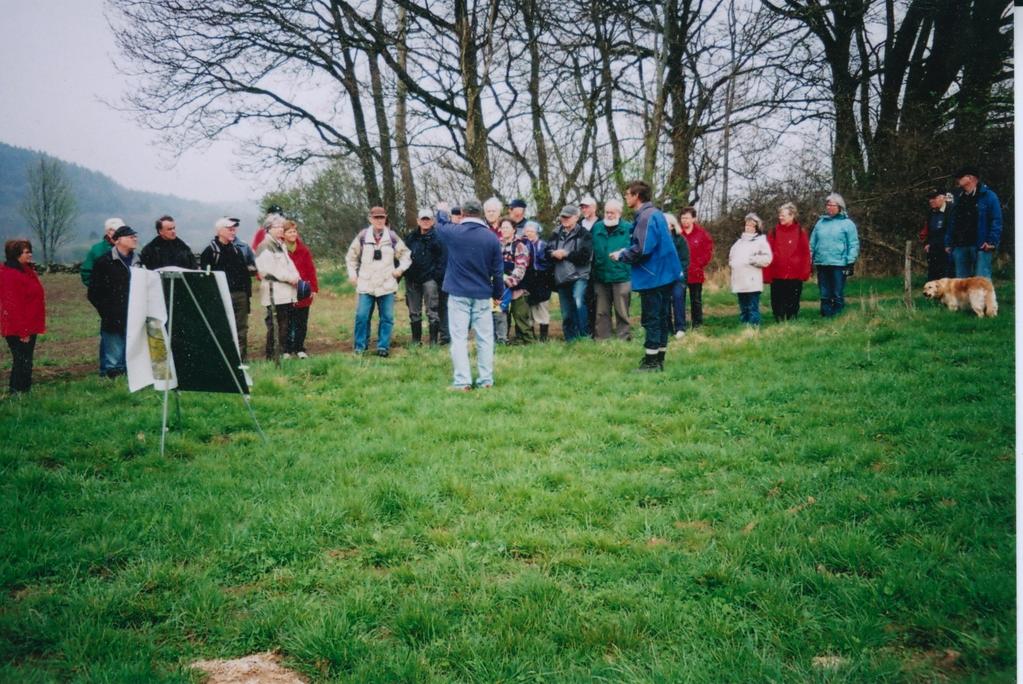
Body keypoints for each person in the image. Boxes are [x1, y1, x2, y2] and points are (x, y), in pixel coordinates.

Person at [434, 199, 504, 390]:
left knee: (458, 338)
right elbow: (498, 272)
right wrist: (498, 294)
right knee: (485, 339)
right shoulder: (492, 238)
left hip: (458, 294)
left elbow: (439, 224)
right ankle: (486, 380)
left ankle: (463, 381)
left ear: (463, 213)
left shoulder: (454, 232)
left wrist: (441, 210)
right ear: (481, 214)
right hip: (482, 294)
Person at [611, 180, 679, 371]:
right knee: (662, 317)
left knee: (652, 319)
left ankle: (651, 363)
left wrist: (621, 255)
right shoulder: (655, 214)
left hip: (654, 277)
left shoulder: (646, 217)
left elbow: (642, 249)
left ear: (637, 196)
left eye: (628, 194)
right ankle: (659, 359)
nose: (626, 197)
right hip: (664, 274)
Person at [345, 206, 411, 357]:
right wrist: (352, 274)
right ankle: (360, 346)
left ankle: (383, 346)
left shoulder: (392, 237)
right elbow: (351, 257)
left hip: (386, 284)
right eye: (376, 218)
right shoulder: (362, 236)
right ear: (370, 219)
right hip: (366, 284)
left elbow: (406, 255)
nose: (379, 220)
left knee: (387, 317)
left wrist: (400, 269)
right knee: (362, 316)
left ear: (385, 218)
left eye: (382, 217)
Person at [87, 225, 142, 377]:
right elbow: (93, 293)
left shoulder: (139, 261)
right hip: (113, 317)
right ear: (117, 240)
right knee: (113, 357)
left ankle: (128, 384)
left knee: (131, 354)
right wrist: (107, 311)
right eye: (130, 237)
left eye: (135, 236)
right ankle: (113, 386)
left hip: (135, 316)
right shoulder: (103, 262)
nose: (135, 239)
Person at [200, 217, 255, 360]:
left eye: (234, 228)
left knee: (241, 328)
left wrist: (247, 296)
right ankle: (224, 360)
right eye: (229, 229)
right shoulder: (211, 251)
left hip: (240, 295)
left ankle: (241, 360)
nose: (233, 231)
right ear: (220, 231)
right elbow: (206, 279)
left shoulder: (237, 250)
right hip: (221, 296)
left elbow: (244, 275)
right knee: (223, 328)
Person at [0, 239, 45, 394]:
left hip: (29, 324)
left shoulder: (26, 270)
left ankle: (24, 392)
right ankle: (17, 392)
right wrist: (22, 331)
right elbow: (14, 306)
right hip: (18, 327)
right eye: (26, 252)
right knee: (21, 360)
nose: (30, 254)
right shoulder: (10, 275)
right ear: (16, 255)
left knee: (26, 360)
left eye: (30, 251)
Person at [255, 218, 300, 361]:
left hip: (285, 292)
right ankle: (272, 358)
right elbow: (269, 269)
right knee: (275, 326)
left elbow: (289, 264)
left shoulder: (280, 245)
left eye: (282, 226)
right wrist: (289, 278)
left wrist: (296, 276)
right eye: (277, 226)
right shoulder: (265, 245)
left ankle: (279, 355)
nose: (281, 229)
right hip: (274, 291)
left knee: (283, 325)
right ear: (268, 229)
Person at [945, 167, 1002, 279]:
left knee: (981, 283)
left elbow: (996, 220)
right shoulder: (958, 198)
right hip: (960, 246)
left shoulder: (989, 196)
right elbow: (952, 221)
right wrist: (948, 242)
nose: (957, 180)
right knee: (961, 286)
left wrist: (992, 241)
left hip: (981, 246)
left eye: (960, 177)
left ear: (970, 178)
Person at [810, 193, 860, 317]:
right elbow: (812, 242)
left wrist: (850, 261)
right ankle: (826, 314)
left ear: (840, 207)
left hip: (839, 263)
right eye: (828, 205)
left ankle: (838, 315)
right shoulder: (820, 223)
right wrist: (809, 258)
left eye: (832, 205)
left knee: (837, 292)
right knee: (824, 292)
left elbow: (853, 243)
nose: (829, 207)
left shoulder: (848, 224)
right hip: (822, 262)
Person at [547, 205, 592, 341]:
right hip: (561, 277)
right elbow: (546, 252)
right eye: (563, 216)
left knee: (578, 302)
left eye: (568, 217)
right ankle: (570, 340)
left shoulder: (585, 234)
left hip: (579, 276)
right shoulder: (555, 233)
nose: (564, 219)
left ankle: (584, 337)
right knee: (566, 312)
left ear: (576, 218)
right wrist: (553, 253)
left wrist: (565, 254)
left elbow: (584, 257)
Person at [591, 199, 633, 340]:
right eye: (607, 212)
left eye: (612, 212)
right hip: (600, 275)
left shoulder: (628, 228)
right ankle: (602, 338)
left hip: (621, 274)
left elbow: (635, 250)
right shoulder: (597, 228)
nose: (609, 215)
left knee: (622, 310)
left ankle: (624, 337)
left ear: (619, 213)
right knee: (601, 310)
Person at [764, 202, 811, 321]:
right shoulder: (773, 232)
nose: (780, 217)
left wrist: (805, 272)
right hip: (777, 273)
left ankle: (792, 320)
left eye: (783, 215)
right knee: (777, 299)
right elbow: (767, 253)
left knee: (793, 299)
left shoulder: (800, 232)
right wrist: (767, 273)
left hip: (795, 274)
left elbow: (805, 253)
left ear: (792, 216)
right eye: (779, 215)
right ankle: (778, 320)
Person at [404, 208, 445, 345]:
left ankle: (433, 341)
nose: (425, 222)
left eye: (428, 219)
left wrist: (435, 277)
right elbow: (403, 256)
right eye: (423, 219)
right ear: (418, 221)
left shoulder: (438, 239)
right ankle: (416, 340)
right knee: (414, 311)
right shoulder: (410, 238)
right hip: (412, 279)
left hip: (430, 280)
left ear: (432, 221)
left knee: (432, 310)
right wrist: (405, 273)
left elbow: (442, 260)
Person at [729, 213, 773, 326]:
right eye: (747, 225)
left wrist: (752, 260)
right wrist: (733, 264)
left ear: (757, 228)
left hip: (752, 280)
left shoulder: (761, 241)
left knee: (752, 306)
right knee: (743, 306)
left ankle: (754, 327)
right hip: (740, 280)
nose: (748, 228)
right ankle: (744, 325)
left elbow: (767, 258)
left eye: (752, 226)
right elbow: (731, 257)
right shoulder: (738, 242)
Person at [282, 221, 318, 358]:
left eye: (294, 231)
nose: (293, 234)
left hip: (302, 289)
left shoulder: (303, 250)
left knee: (301, 321)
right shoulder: (281, 250)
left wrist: (313, 288)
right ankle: (286, 349)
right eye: (290, 232)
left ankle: (299, 348)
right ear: (284, 234)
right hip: (286, 290)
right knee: (287, 321)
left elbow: (311, 270)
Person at [499, 217, 535, 344]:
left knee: (520, 316)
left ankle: (528, 341)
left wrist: (507, 282)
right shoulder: (497, 245)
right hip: (501, 289)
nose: (504, 230)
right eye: (502, 227)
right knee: (501, 316)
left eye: (507, 227)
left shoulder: (520, 246)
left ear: (514, 230)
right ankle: (503, 340)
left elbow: (520, 268)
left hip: (517, 288)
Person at [679, 207, 713, 330]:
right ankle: (680, 325)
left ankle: (697, 325)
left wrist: (699, 264)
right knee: (679, 300)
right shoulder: (678, 234)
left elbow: (708, 252)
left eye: (687, 218)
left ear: (694, 219)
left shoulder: (702, 234)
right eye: (682, 218)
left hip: (696, 273)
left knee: (696, 300)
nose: (685, 221)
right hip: (680, 273)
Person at [522, 221, 553, 341]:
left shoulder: (544, 245)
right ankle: (531, 336)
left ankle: (543, 338)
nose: (529, 233)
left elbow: (549, 262)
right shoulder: (523, 245)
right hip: (529, 279)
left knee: (542, 307)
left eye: (532, 231)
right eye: (527, 231)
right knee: (529, 308)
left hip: (542, 279)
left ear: (537, 232)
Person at [665, 213, 691, 339]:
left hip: (677, 277)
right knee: (665, 303)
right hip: (663, 277)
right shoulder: (659, 240)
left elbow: (685, 260)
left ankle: (680, 327)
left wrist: (679, 273)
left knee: (678, 300)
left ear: (671, 226)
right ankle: (668, 328)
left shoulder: (680, 240)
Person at [919, 189, 951, 281]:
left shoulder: (951, 211)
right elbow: (927, 230)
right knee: (933, 279)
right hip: (933, 251)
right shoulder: (930, 213)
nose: (931, 200)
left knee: (946, 279)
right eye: (930, 198)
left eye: (934, 198)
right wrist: (926, 243)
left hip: (947, 250)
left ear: (943, 198)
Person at [80, 218, 124, 287]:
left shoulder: (126, 249)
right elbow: (86, 273)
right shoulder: (97, 250)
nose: (119, 234)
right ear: (108, 233)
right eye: (115, 231)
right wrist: (98, 289)